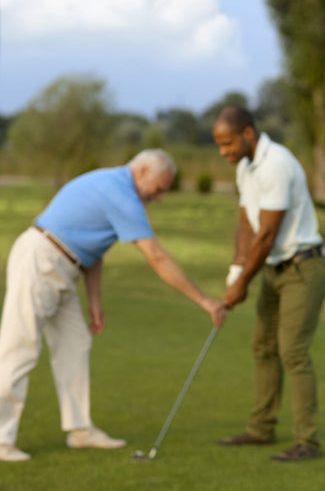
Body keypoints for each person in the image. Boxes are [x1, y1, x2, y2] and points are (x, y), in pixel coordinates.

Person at [0, 149, 228, 463]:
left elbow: (94, 246)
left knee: (76, 344)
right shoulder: (121, 193)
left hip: (63, 265)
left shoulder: (114, 183)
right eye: (159, 188)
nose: (159, 197)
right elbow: (156, 256)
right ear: (143, 171)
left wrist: (95, 300)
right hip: (41, 262)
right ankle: (1, 440)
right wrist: (204, 300)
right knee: (18, 349)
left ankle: (80, 430)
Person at [212, 105, 325, 462]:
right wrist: (236, 272)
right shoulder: (245, 167)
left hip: (303, 268)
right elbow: (248, 224)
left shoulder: (276, 162)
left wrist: (243, 281)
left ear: (248, 134)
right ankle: (261, 429)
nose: (223, 152)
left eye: (228, 143)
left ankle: (307, 441)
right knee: (263, 346)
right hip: (275, 269)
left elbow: (267, 234)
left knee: (292, 350)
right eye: (219, 145)